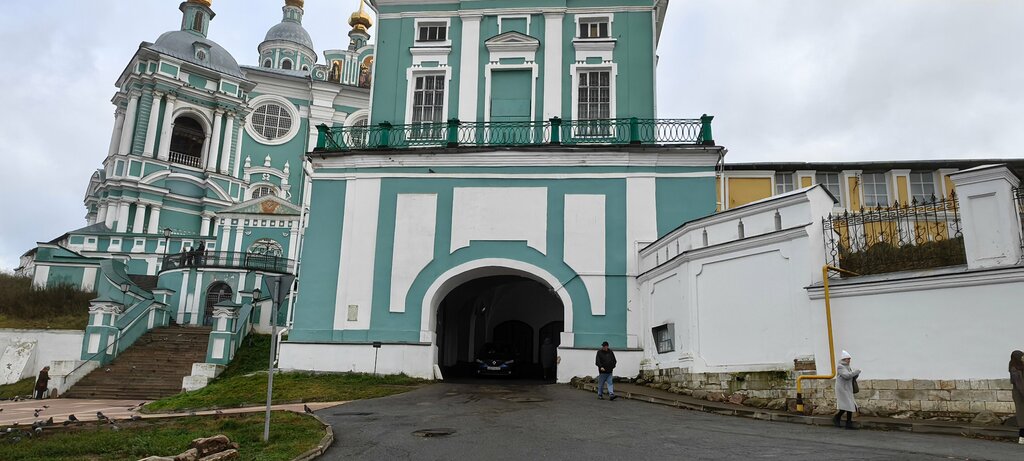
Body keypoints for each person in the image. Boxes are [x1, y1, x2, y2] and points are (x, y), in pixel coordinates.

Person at [833, 350, 860, 429]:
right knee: (848, 405)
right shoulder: (840, 366)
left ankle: (846, 422)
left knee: (848, 405)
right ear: (844, 359)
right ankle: (839, 418)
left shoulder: (847, 367)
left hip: (847, 388)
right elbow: (846, 376)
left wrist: (855, 375)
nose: (849, 360)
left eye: (849, 359)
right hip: (842, 388)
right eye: (848, 359)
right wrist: (856, 372)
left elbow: (850, 376)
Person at [1009, 350, 1024, 444]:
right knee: (1022, 415)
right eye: (1021, 357)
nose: (1023, 358)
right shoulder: (1014, 369)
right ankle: (1022, 437)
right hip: (1019, 394)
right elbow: (1019, 384)